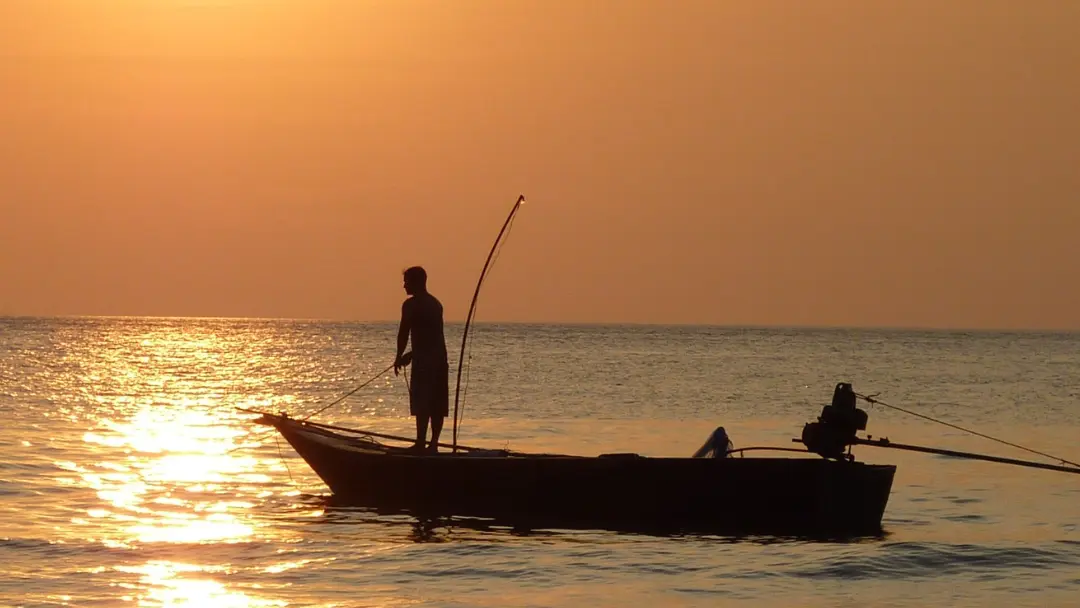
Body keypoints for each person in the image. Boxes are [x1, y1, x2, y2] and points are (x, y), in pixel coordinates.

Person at [394, 266, 449, 453]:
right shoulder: (436, 304)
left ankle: (421, 443)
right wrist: (410, 354)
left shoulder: (411, 305)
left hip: (425, 361)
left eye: (406, 281)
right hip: (440, 359)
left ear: (417, 282)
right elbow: (432, 337)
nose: (404, 285)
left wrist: (401, 356)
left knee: (424, 401)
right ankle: (432, 444)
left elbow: (404, 333)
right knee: (436, 402)